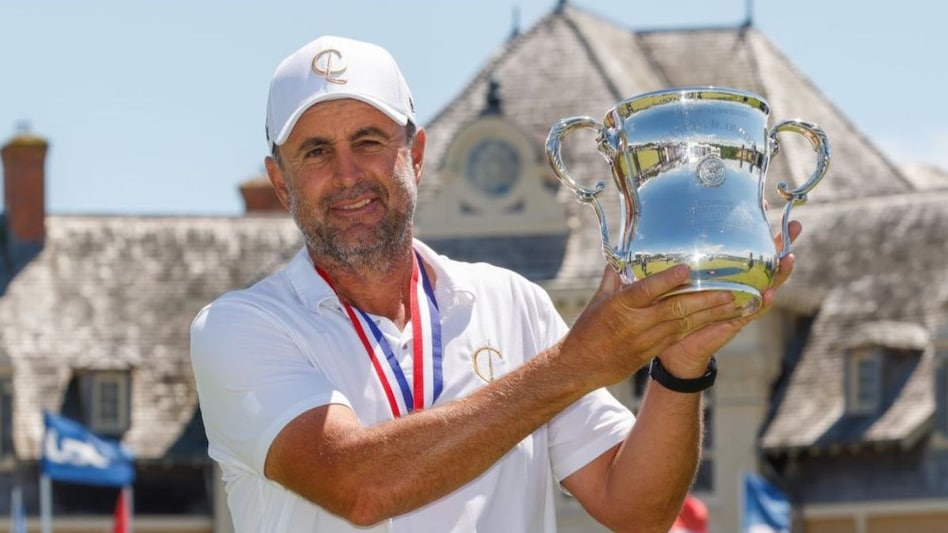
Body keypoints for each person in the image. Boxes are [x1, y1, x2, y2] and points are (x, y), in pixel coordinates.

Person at [190, 35, 800, 532]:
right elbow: (361, 487)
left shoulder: (515, 303)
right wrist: (576, 363)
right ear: (280, 181)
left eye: (369, 142)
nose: (347, 174)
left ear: (417, 153)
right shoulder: (239, 328)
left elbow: (636, 509)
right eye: (315, 152)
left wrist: (681, 365)